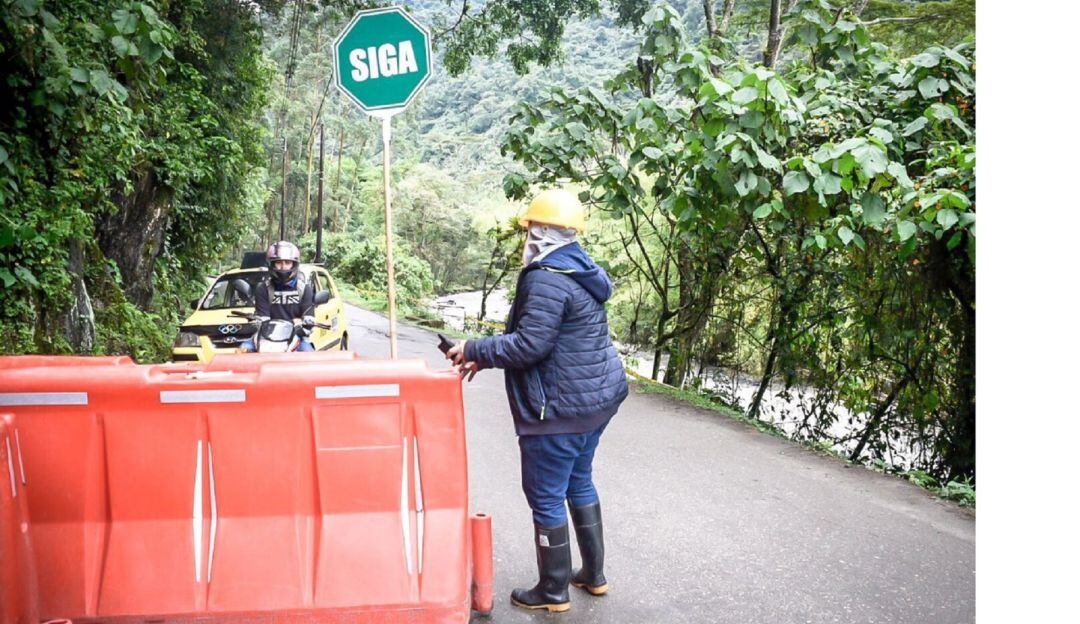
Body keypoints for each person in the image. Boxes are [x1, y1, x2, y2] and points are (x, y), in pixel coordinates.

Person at [446, 188, 628, 613]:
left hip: (561, 409)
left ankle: (552, 590)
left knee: (546, 494)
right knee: (578, 480)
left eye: (530, 229)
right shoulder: (582, 269)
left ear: (542, 232)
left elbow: (530, 346)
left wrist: (473, 349)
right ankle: (593, 575)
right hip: (597, 401)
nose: (526, 237)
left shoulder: (546, 275)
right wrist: (481, 355)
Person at [239, 240, 316, 352]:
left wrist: (304, 323)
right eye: (278, 262)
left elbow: (308, 319)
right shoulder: (263, 289)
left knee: (310, 356)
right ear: (271, 264)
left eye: (287, 262)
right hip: (267, 337)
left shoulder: (305, 289)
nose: (283, 267)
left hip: (296, 337)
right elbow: (263, 320)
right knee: (243, 350)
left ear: (294, 264)